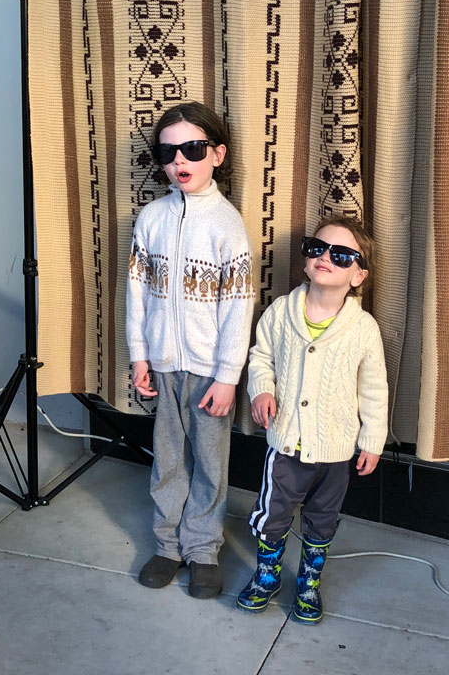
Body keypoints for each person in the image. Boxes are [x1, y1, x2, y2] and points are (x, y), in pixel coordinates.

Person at [126, 101, 254, 599]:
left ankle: (202, 548)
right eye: (168, 151)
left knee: (209, 461)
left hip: (209, 373)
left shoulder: (227, 224)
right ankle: (166, 544)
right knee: (168, 459)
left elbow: (239, 306)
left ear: (217, 155)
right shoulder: (151, 218)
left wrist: (228, 376)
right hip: (163, 365)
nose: (180, 161)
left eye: (193, 149)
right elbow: (136, 295)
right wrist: (141, 356)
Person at [236, 216, 388, 622]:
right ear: (305, 261)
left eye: (341, 255)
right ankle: (267, 575)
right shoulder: (280, 312)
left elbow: (373, 390)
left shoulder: (363, 329)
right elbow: (261, 356)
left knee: (322, 519)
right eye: (317, 248)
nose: (325, 258)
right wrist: (262, 388)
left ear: (358, 276)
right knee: (273, 513)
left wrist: (372, 440)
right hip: (285, 442)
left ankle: (309, 581)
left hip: (335, 450)